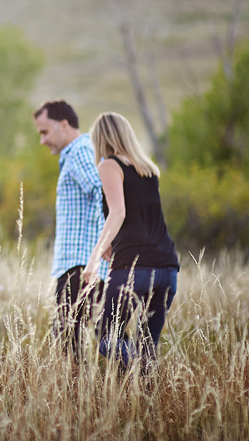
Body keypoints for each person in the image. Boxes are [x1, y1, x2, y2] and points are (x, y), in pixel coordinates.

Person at [82, 112, 180, 372]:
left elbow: (119, 212)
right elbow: (141, 216)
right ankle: (146, 401)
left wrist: (94, 258)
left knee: (106, 336)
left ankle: (135, 373)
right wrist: (114, 244)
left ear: (102, 139)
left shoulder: (109, 166)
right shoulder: (149, 170)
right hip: (168, 268)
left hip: (134, 268)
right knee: (148, 347)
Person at [33, 99, 108, 356]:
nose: (42, 140)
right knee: (91, 336)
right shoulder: (77, 153)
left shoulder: (79, 153)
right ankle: (135, 380)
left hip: (82, 264)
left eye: (44, 132)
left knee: (69, 340)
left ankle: (139, 379)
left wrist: (103, 247)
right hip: (80, 263)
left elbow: (103, 193)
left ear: (63, 125)